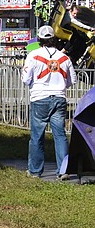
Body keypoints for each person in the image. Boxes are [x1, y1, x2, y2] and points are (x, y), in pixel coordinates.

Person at [21, 26, 76, 178]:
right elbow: (72, 80)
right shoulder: (64, 58)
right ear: (55, 39)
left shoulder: (33, 55)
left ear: (39, 39)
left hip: (39, 98)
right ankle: (63, 170)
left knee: (37, 136)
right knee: (60, 135)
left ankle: (35, 171)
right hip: (59, 98)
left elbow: (26, 79)